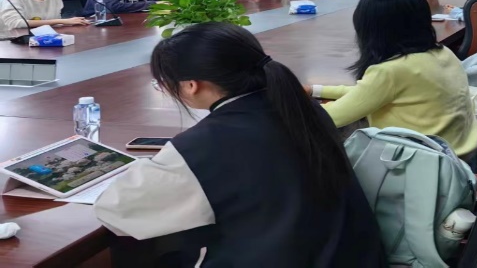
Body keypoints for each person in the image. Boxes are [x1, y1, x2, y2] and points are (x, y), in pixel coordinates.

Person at [95, 23, 385, 267]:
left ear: (191, 85)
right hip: (349, 255)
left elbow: (118, 211)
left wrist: (151, 168)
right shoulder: (303, 109)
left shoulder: (205, 145)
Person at [308, 0, 477, 157]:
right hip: (459, 155)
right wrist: (316, 90)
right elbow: (367, 93)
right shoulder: (442, 52)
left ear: (370, 29)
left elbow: (331, 117)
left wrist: (294, 101)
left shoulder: (391, 71)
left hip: (421, 164)